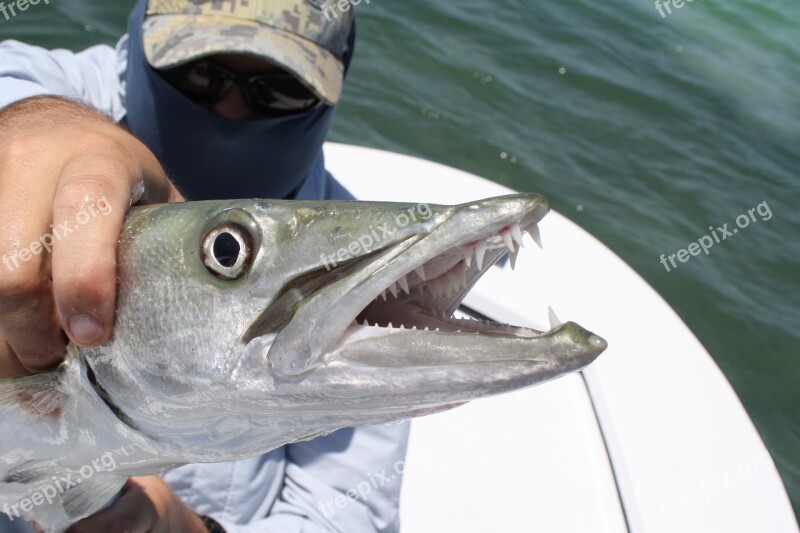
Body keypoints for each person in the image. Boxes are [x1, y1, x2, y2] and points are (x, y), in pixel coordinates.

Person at [0, 0, 409, 531]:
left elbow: (348, 513)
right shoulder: (63, 89)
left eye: (278, 88)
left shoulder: (355, 255)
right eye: (198, 74)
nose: (230, 114)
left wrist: (180, 525)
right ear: (139, 52)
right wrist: (36, 128)